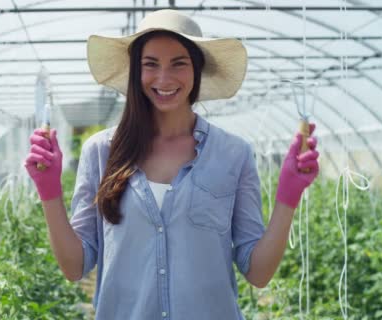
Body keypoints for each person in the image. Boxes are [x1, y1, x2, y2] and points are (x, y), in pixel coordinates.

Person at [24, 9, 319, 320]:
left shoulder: (233, 154)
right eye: (150, 64)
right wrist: (49, 191)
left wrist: (289, 197)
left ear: (197, 70)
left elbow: (258, 273)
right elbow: (75, 266)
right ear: (136, 72)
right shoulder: (100, 152)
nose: (164, 78)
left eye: (179, 63)